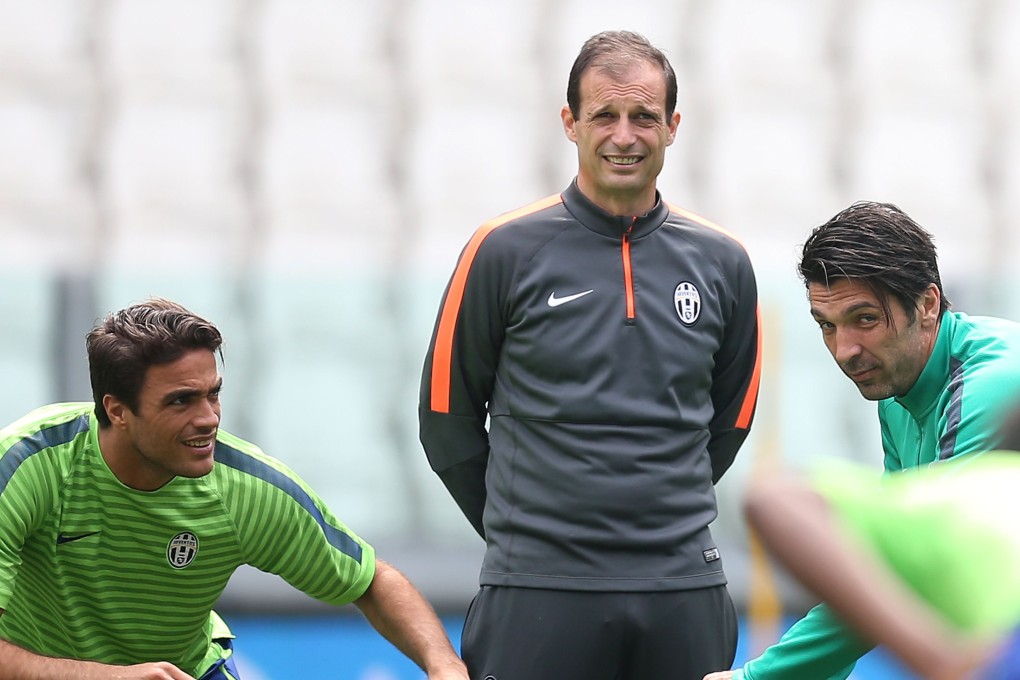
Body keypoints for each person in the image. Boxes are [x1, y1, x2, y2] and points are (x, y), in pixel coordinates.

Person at [419, 30, 761, 680]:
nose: (625, 136)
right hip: (537, 590)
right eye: (605, 115)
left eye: (644, 117)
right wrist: (525, 533)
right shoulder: (501, 250)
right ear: (570, 123)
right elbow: (446, 420)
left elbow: (729, 422)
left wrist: (653, 519)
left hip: (683, 587)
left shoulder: (723, 262)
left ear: (674, 126)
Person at [0, 298, 468, 680]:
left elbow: (371, 581)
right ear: (117, 411)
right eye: (181, 401)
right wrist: (107, 676)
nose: (208, 418)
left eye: (213, 393)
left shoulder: (246, 490)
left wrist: (444, 666)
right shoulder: (26, 468)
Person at [704, 201, 1020, 680]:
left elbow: (903, 576)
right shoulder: (899, 389)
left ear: (929, 304)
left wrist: (758, 677)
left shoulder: (986, 386)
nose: (845, 350)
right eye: (826, 326)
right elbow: (879, 568)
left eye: (865, 319)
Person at [736, 405, 1020, 680]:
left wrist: (939, 661)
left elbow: (777, 500)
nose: (847, 355)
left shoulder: (974, 490)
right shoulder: (899, 411)